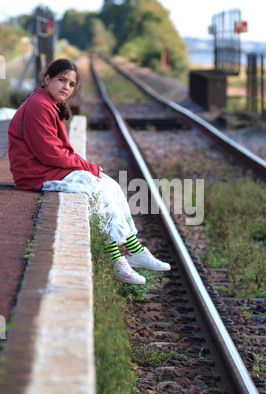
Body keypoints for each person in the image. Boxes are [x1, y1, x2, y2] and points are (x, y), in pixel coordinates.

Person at [8, 58, 171, 285]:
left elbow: (55, 152)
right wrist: (87, 166)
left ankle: (133, 249)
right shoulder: (38, 105)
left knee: (109, 184)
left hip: (48, 169)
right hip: (36, 174)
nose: (66, 87)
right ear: (47, 79)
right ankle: (115, 258)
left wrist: (88, 167)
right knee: (93, 188)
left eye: (71, 84)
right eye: (61, 80)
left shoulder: (46, 103)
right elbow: (49, 153)